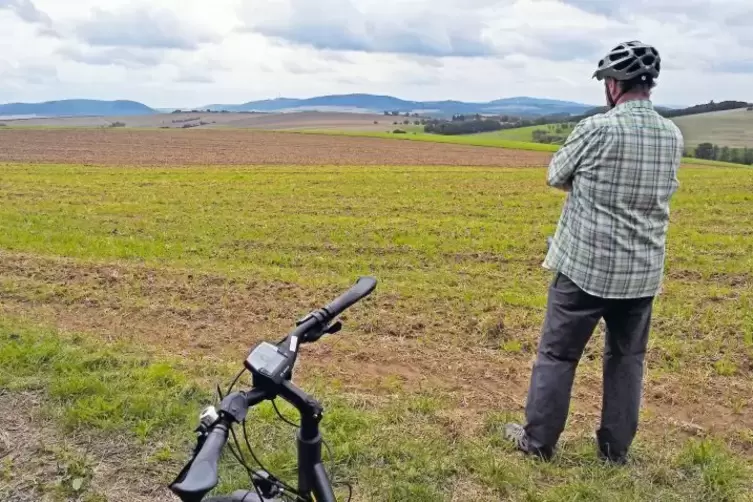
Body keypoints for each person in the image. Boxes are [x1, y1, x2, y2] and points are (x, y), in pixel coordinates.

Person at [504, 41, 684, 464]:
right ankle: (615, 451)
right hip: (642, 272)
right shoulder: (672, 134)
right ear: (649, 85)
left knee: (557, 355)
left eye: (606, 80)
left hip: (585, 268)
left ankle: (538, 443)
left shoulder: (596, 128)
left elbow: (555, 174)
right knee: (627, 361)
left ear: (614, 85)